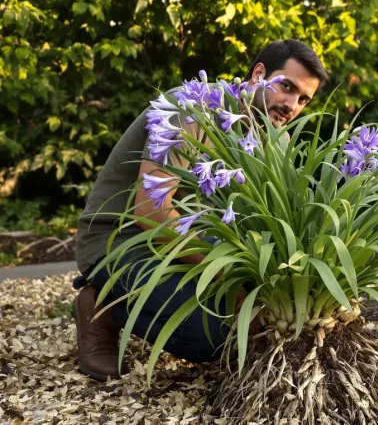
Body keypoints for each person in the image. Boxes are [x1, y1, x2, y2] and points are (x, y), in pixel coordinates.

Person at [71, 39, 329, 381]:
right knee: (212, 336)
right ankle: (101, 307)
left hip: (187, 243)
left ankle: (138, 296)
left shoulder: (275, 138)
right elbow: (150, 211)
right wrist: (227, 279)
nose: (291, 105)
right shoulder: (193, 107)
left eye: (303, 99)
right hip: (121, 240)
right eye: (287, 87)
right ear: (258, 74)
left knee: (256, 321)